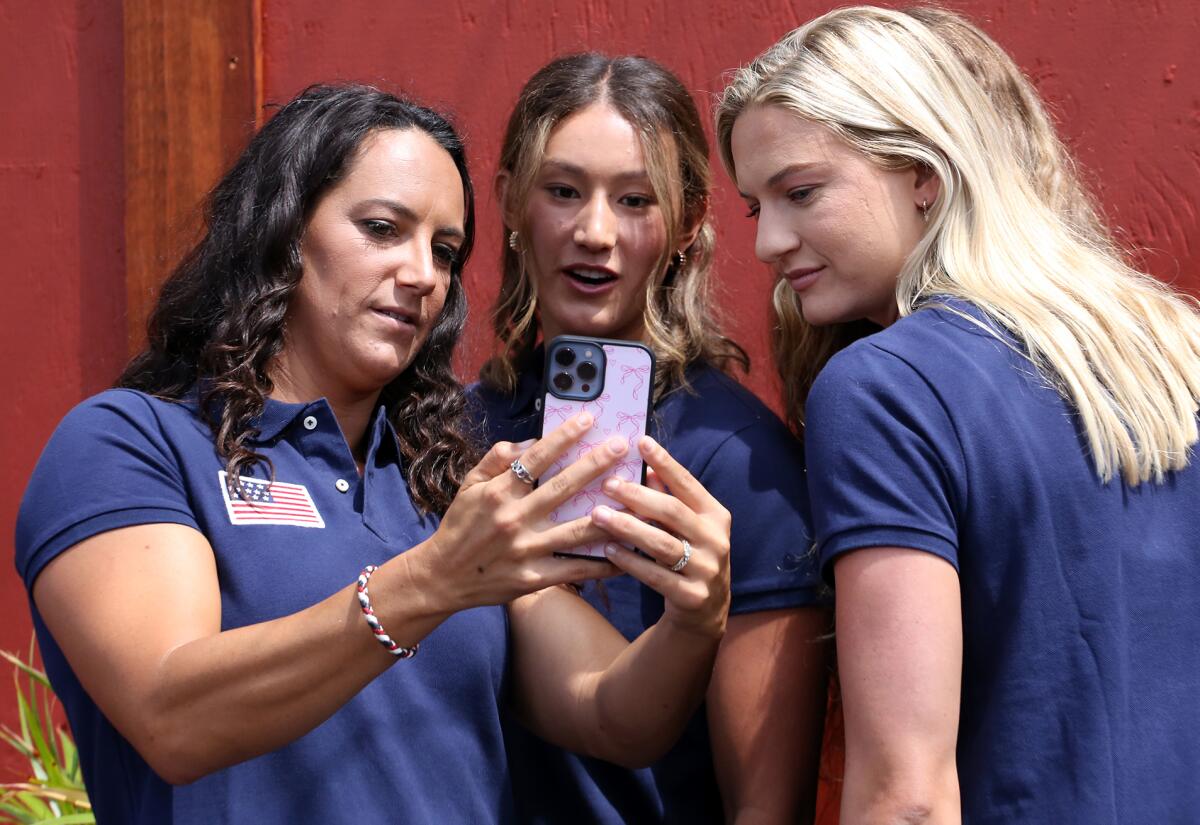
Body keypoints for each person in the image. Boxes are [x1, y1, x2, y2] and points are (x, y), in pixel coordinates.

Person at [14, 84, 734, 825]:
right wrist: (431, 581)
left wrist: (693, 617)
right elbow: (173, 715)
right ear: (285, 230)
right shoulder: (133, 443)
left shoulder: (439, 477)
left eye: (445, 250)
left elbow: (616, 715)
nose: (423, 272)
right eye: (383, 228)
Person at [717, 7, 1200, 824]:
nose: (768, 241)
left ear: (924, 177)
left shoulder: (884, 389)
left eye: (800, 192)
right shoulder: (1175, 350)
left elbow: (906, 796)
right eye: (755, 206)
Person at [472, 54, 830, 824]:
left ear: (688, 220)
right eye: (563, 190)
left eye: (635, 199)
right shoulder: (452, 429)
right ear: (508, 200)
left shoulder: (738, 460)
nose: (594, 231)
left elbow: (766, 807)